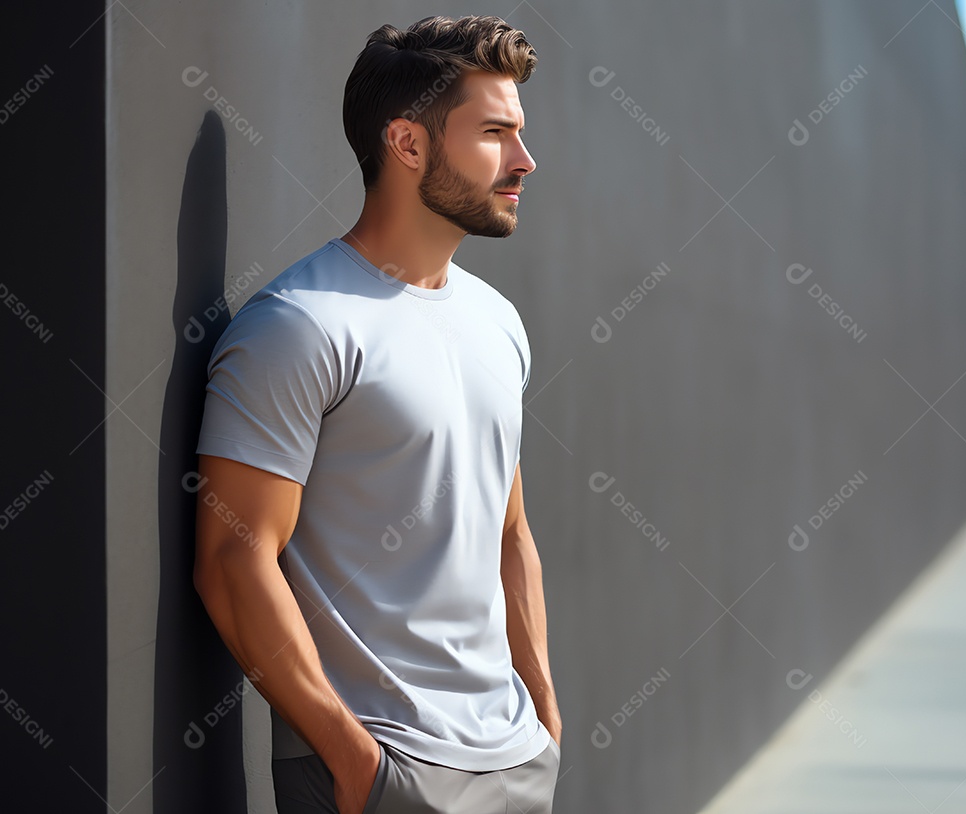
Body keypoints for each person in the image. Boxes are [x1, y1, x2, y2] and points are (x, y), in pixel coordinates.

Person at [192, 14, 562, 814]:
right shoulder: (300, 325)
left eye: (520, 132)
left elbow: (508, 529)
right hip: (381, 765)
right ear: (407, 144)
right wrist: (352, 760)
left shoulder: (499, 321)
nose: (525, 161)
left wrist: (543, 713)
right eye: (495, 133)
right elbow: (233, 558)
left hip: (516, 756)